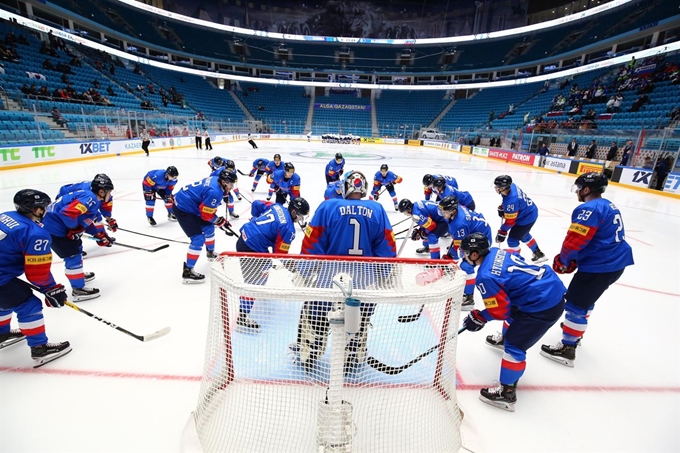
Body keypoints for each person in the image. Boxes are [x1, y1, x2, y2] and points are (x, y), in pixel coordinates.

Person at [293, 170, 396, 374]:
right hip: (364, 284)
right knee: (359, 320)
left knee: (313, 316)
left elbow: (313, 244)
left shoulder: (328, 207)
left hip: (329, 282)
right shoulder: (377, 209)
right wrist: (385, 275)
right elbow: (387, 248)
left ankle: (309, 354)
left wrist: (304, 272)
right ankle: (352, 357)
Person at [459, 232, 566, 411]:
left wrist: (480, 317)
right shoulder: (495, 251)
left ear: (475, 254)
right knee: (512, 308)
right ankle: (504, 338)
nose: (464, 255)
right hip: (548, 286)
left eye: (465, 252)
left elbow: (500, 310)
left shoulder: (485, 277)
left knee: (515, 347)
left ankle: (506, 393)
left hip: (542, 305)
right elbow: (517, 262)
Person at [541, 173, 633, 366]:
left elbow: (575, 240)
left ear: (587, 189)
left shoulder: (588, 209)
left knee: (575, 305)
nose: (577, 191)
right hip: (616, 263)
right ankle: (576, 331)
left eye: (579, 187)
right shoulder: (608, 204)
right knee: (586, 299)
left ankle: (568, 347)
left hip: (599, 266)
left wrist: (564, 260)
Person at [0, 189, 71, 368]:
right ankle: (39, 348)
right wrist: (52, 289)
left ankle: (2, 334)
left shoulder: (6, 216)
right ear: (37, 210)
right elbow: (37, 273)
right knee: (28, 304)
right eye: (44, 207)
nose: (46, 210)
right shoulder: (35, 234)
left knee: (6, 299)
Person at [235, 198, 310, 331]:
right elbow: (279, 253)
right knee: (253, 283)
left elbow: (256, 203)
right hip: (251, 248)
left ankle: (257, 290)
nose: (301, 219)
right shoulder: (288, 228)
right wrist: (290, 265)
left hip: (244, 237)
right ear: (294, 212)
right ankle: (242, 316)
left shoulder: (277, 206)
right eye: (300, 216)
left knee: (266, 266)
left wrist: (254, 219)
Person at [43, 174, 116, 301]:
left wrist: (99, 234)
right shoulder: (90, 198)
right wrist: (74, 229)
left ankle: (77, 275)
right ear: (101, 191)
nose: (110, 195)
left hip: (56, 226)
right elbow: (67, 214)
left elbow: (84, 220)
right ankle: (78, 290)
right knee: (73, 255)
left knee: (77, 247)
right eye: (109, 192)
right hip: (55, 229)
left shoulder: (91, 198)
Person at [172, 169, 237, 284]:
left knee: (209, 228)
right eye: (231, 184)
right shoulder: (214, 192)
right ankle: (188, 271)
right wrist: (219, 221)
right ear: (224, 182)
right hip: (184, 209)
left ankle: (210, 253)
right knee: (198, 239)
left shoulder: (216, 179)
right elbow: (206, 214)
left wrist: (225, 194)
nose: (232, 186)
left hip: (192, 205)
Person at [438, 195, 492, 311]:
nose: (442, 214)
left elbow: (460, 247)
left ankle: (469, 298)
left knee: (466, 266)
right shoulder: (456, 212)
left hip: (481, 240)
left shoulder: (459, 224)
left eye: (444, 211)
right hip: (476, 234)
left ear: (453, 211)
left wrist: (452, 256)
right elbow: (458, 240)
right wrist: (451, 254)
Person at [494, 175, 546, 263]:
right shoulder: (512, 186)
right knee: (523, 235)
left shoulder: (511, 202)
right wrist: (503, 207)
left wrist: (502, 231)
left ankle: (517, 261)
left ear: (504, 187)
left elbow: (510, 222)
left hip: (526, 218)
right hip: (529, 211)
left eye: (498, 187)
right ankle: (539, 254)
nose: (496, 188)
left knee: (512, 240)